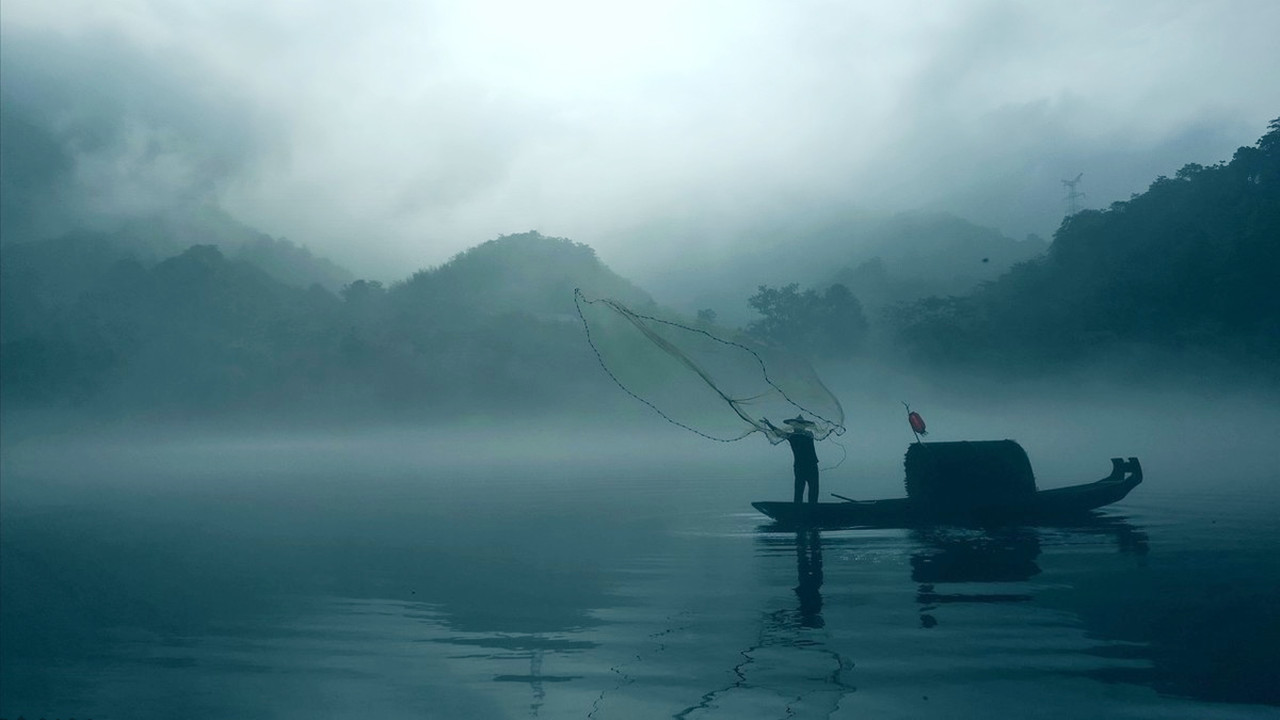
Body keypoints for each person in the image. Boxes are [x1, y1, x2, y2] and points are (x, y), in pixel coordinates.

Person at [764, 415, 820, 504]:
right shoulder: (792, 436)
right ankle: (797, 507)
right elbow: (779, 433)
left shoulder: (808, 434)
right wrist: (769, 424)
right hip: (800, 466)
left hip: (811, 465)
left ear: (804, 426)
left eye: (798, 425)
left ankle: (813, 506)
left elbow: (807, 434)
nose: (795, 427)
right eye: (795, 426)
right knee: (799, 488)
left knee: (813, 488)